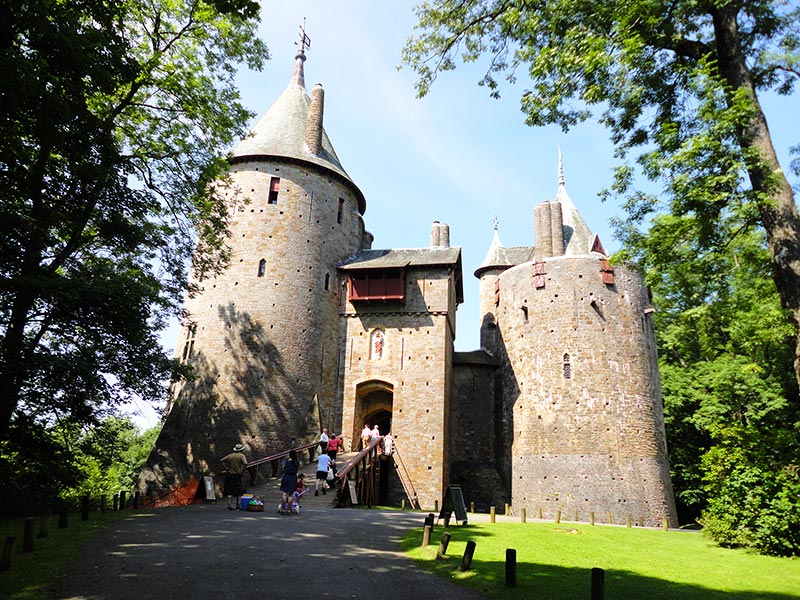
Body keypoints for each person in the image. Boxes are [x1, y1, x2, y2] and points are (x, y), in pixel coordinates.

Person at [220, 443, 248, 511]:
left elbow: (222, 460)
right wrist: (242, 470)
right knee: (238, 490)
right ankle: (238, 506)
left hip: (229, 474)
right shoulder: (241, 456)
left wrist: (226, 468)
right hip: (237, 474)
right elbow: (245, 463)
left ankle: (229, 506)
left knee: (229, 490)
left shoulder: (230, 455)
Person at [279, 450, 299, 514]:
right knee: (291, 494)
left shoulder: (286, 462)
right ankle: (289, 509)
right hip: (293, 477)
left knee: (284, 493)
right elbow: (297, 469)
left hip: (286, 477)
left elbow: (283, 469)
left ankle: (283, 508)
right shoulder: (296, 462)